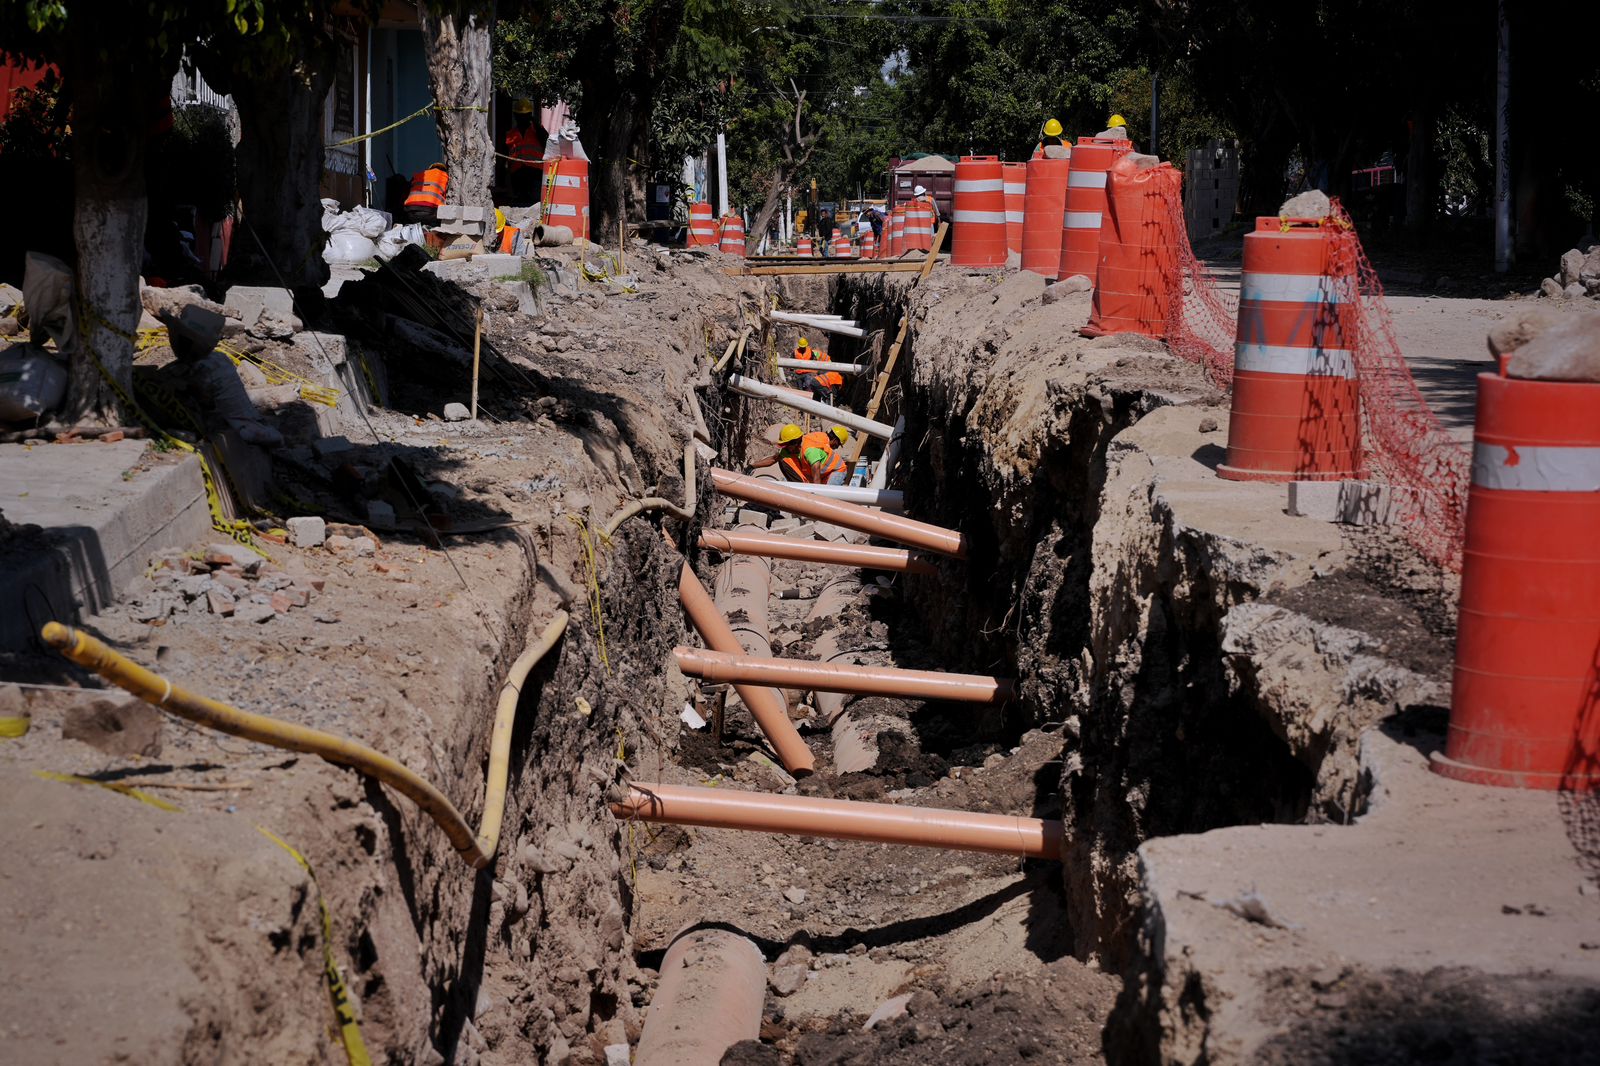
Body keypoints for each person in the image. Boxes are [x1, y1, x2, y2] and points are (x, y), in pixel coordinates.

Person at [505, 99, 547, 205]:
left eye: (526, 115)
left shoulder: (538, 131)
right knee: (519, 205)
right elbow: (505, 160)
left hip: (535, 173)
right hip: (517, 175)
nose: (522, 118)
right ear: (515, 115)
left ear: (530, 115)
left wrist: (535, 123)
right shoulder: (511, 134)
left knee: (535, 204)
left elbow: (546, 141)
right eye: (520, 116)